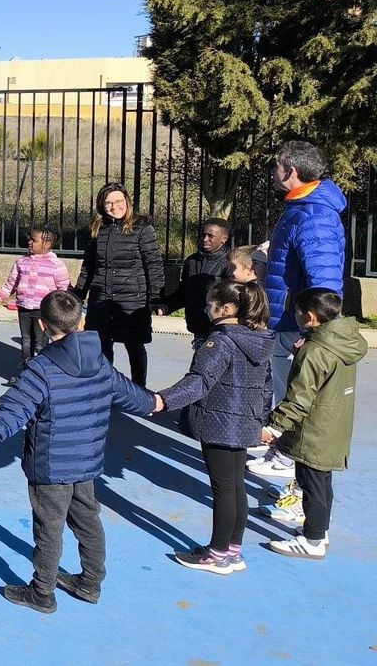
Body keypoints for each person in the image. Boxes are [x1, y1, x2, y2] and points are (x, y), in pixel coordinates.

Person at [0, 291, 160, 613]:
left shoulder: (42, 368)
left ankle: (42, 593)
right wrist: (154, 402)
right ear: (82, 320)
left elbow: (13, 410)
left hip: (51, 466)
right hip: (87, 461)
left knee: (49, 528)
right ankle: (91, 582)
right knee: (88, 521)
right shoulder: (99, 360)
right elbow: (130, 395)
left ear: (44, 325)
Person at [153, 280, 273, 575]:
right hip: (243, 422)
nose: (206, 310)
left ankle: (217, 553)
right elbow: (268, 385)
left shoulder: (219, 341)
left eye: (210, 305)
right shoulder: (258, 339)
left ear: (227, 309)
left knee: (223, 489)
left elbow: (199, 381)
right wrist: (261, 420)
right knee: (235, 486)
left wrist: (163, 400)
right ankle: (232, 550)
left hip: (220, 423)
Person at [254, 140, 348, 482]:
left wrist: (312, 333)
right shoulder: (301, 207)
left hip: (299, 326)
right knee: (288, 394)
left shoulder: (313, 214)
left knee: (298, 401)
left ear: (291, 172)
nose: (272, 174)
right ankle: (287, 463)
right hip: (288, 320)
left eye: (276, 168)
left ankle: (293, 475)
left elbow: (323, 281)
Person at [260, 288, 363, 560]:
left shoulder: (315, 352)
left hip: (315, 428)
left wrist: (273, 427)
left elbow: (298, 398)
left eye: (295, 312)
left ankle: (312, 540)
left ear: (310, 316)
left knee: (311, 482)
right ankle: (320, 530)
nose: (293, 316)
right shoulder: (341, 341)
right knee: (322, 482)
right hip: (334, 425)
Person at [73, 181, 163, 386]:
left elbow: (154, 264)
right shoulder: (98, 228)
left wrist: (156, 297)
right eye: (108, 203)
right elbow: (89, 265)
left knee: (135, 346)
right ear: (101, 206)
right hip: (101, 297)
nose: (114, 207)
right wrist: (78, 294)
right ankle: (105, 386)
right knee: (102, 345)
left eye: (119, 201)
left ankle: (138, 390)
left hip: (132, 300)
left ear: (127, 201)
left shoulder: (142, 227)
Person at [0, 227, 71, 377]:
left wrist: (64, 307)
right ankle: (25, 370)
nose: (29, 242)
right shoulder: (21, 262)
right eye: (30, 239)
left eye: (33, 240)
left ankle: (40, 372)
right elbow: (10, 284)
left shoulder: (56, 265)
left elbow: (64, 288)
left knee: (41, 342)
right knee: (26, 340)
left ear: (46, 244)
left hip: (43, 310)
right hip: (23, 308)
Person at [159, 219, 232, 344]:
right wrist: (168, 306)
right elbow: (184, 292)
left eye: (210, 236)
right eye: (203, 235)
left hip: (219, 330)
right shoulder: (191, 261)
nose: (205, 239)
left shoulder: (230, 264)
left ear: (224, 238)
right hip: (198, 326)